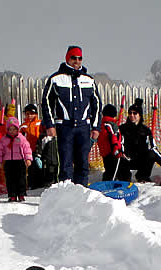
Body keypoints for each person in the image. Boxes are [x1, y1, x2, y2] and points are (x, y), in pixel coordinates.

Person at [40, 45, 101, 185]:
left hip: (83, 128)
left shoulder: (89, 80)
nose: (77, 61)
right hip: (64, 127)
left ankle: (82, 193)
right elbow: (46, 103)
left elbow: (96, 104)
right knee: (65, 163)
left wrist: (96, 127)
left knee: (83, 163)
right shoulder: (56, 79)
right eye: (74, 58)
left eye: (80, 58)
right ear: (67, 58)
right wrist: (50, 125)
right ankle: (65, 196)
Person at [119, 98, 161, 183]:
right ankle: (124, 178)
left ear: (139, 115)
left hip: (140, 159)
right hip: (126, 159)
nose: (132, 115)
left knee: (151, 154)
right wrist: (123, 153)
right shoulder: (123, 129)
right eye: (130, 113)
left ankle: (142, 176)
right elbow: (119, 143)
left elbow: (152, 147)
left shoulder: (145, 130)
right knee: (121, 159)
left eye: (135, 113)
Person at [0, 116, 33, 202]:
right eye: (10, 129)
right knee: (10, 179)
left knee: (21, 178)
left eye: (14, 129)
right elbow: (0, 151)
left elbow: (26, 148)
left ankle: (21, 194)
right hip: (9, 162)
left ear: (17, 129)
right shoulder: (4, 139)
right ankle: (12, 195)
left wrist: (28, 159)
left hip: (19, 161)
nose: (12, 131)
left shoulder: (21, 138)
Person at [97, 103, 127, 181]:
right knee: (117, 169)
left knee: (109, 170)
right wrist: (116, 149)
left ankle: (107, 181)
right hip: (112, 152)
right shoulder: (110, 125)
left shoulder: (101, 125)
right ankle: (118, 184)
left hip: (105, 152)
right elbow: (113, 137)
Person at [20, 103, 45, 189]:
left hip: (39, 149)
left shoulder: (40, 123)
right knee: (31, 168)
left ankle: (41, 183)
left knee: (40, 166)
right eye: (28, 114)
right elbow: (20, 136)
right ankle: (32, 184)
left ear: (36, 114)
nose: (30, 116)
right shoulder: (23, 126)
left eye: (32, 113)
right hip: (28, 150)